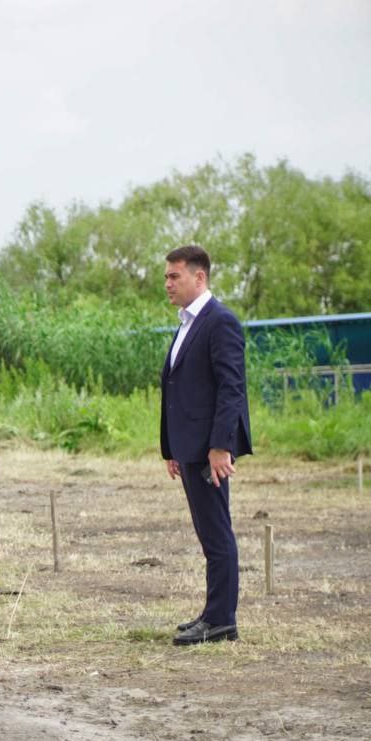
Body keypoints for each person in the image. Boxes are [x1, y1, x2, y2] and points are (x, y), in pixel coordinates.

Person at [160, 245, 252, 646]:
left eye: (174, 276)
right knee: (208, 532)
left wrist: (220, 446)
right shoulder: (186, 323)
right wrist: (171, 448)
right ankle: (214, 612)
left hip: (209, 449)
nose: (167, 283)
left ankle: (220, 621)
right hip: (190, 447)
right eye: (166, 276)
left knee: (216, 533)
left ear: (199, 277)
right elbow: (177, 388)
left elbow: (231, 389)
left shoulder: (220, 321)